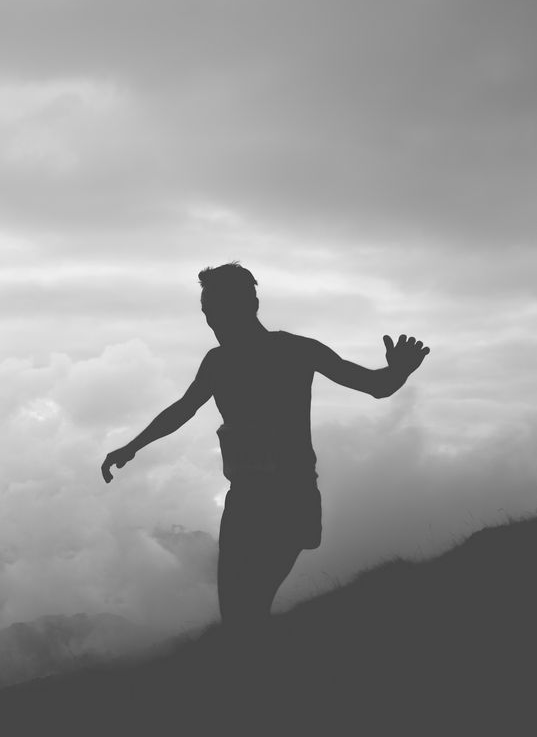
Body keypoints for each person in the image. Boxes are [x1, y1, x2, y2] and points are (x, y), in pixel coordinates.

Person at [101, 262, 430, 634]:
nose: (210, 320)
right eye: (206, 312)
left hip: (289, 497)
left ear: (249, 304)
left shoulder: (295, 350)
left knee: (247, 611)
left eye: (216, 311)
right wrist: (132, 446)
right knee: (240, 614)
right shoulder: (218, 362)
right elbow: (183, 409)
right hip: (245, 499)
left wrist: (399, 371)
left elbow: (375, 385)